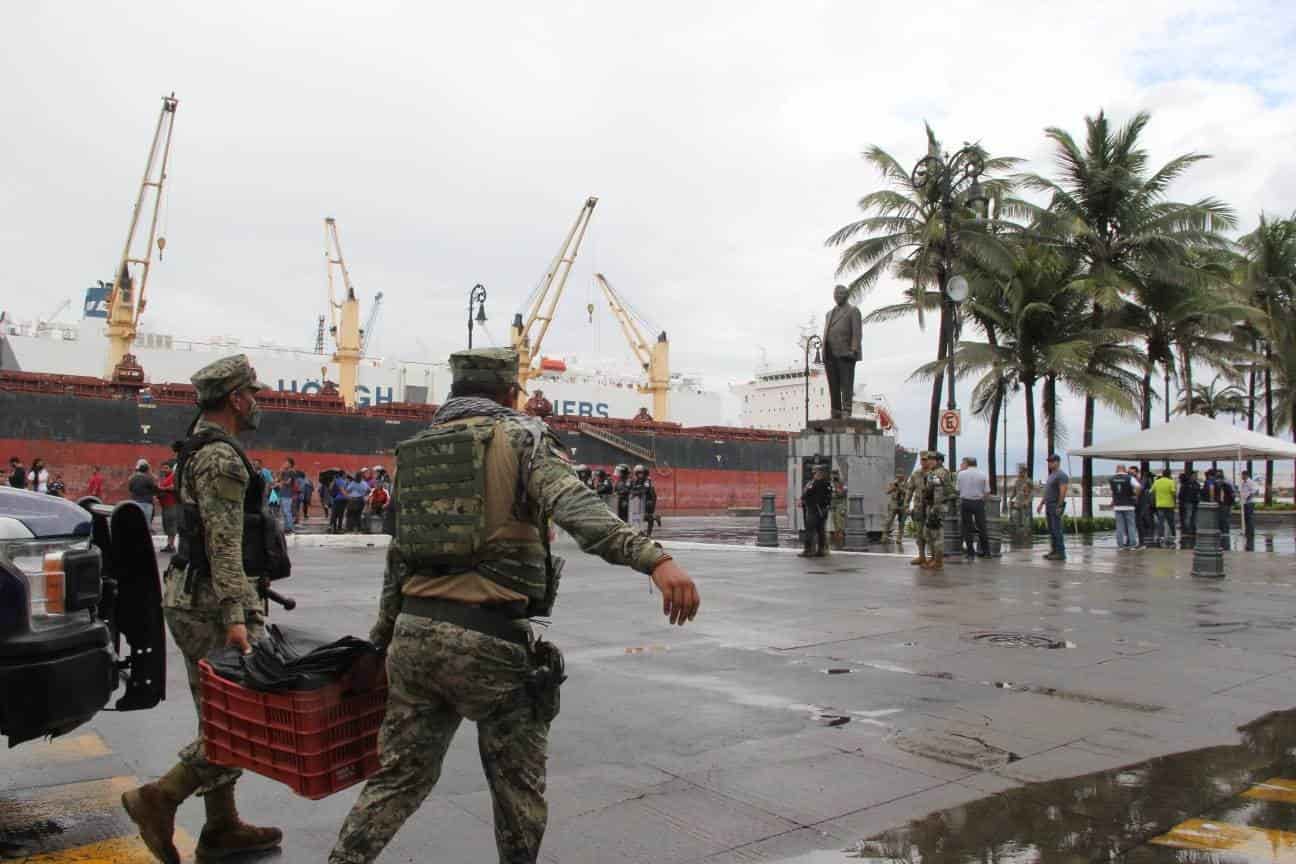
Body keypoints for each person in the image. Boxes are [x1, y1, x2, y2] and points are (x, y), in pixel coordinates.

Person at [327, 347, 698, 864]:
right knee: (516, 792)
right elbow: (573, 504)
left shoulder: (417, 452)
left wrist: (382, 640)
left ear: (457, 392)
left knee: (397, 781)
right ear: (507, 393)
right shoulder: (521, 436)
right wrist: (653, 559)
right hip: (490, 642)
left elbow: (400, 556)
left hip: (414, 637)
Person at [121, 354, 283, 863]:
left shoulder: (201, 444)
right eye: (251, 393)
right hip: (213, 605)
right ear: (235, 398)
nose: (256, 402)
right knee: (245, 718)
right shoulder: (221, 458)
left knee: (217, 714)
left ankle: (221, 824)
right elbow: (224, 544)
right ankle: (160, 797)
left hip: (195, 598)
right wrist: (237, 617)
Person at [921, 452, 952, 570]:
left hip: (937, 507)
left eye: (931, 459)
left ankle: (938, 561)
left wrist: (935, 508)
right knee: (928, 533)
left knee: (936, 534)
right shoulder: (933, 473)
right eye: (928, 459)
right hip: (932, 506)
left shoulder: (940, 473)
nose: (928, 461)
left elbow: (938, 492)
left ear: (939, 461)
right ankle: (933, 557)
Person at [955, 457, 990, 559]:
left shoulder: (961, 474)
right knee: (982, 527)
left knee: (967, 528)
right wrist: (983, 501)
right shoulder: (983, 474)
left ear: (967, 463)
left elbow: (957, 489)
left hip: (965, 502)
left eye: (963, 462)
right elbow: (987, 491)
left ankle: (970, 553)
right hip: (978, 502)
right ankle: (986, 551)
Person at [1036, 454, 1068, 561]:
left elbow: (1063, 491)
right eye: (1048, 461)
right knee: (1051, 530)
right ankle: (1054, 551)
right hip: (1048, 505)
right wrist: (1041, 503)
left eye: (1052, 461)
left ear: (1058, 462)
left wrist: (1059, 505)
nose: (1049, 463)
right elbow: (1047, 492)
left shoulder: (1061, 475)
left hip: (1055, 505)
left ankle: (1060, 552)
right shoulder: (1051, 475)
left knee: (1057, 529)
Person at [800, 464, 831, 557]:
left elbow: (806, 494)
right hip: (823, 510)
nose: (814, 474)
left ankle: (808, 550)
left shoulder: (813, 483)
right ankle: (821, 550)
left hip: (813, 509)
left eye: (815, 472)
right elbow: (829, 496)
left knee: (809, 530)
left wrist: (803, 497)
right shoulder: (827, 483)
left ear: (818, 473)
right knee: (821, 530)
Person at [1109, 465, 1140, 551]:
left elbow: (1113, 491)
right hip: (1129, 505)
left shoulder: (1111, 479)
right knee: (1131, 525)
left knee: (1119, 527)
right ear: (1125, 469)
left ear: (1117, 469)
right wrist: (1135, 496)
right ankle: (1132, 545)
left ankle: (1120, 545)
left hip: (1117, 506)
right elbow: (1138, 487)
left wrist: (1113, 501)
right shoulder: (1129, 478)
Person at [907, 453, 930, 567]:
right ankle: (921, 556)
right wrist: (907, 504)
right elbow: (910, 490)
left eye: (926, 460)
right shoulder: (916, 474)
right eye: (922, 460)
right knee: (919, 532)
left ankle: (933, 558)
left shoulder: (934, 474)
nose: (924, 462)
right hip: (919, 507)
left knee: (930, 533)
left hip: (931, 507)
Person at [157, 463, 180, 553]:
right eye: (163, 468)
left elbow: (173, 488)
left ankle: (171, 545)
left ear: (171, 469)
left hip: (171, 505)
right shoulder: (165, 478)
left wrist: (162, 489)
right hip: (165, 505)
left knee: (171, 525)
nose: (164, 470)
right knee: (166, 526)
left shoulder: (173, 477)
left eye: (166, 468)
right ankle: (169, 544)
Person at [1151, 468, 1176, 548]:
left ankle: (1161, 537)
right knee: (1170, 521)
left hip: (1159, 505)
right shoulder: (1171, 482)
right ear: (1169, 474)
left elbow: (1151, 491)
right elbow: (1173, 492)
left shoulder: (1157, 481)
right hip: (1169, 505)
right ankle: (1172, 537)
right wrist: (1174, 501)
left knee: (1160, 522)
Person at [129, 459, 159, 525]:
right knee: (146, 524)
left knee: (137, 523)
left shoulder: (132, 478)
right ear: (147, 469)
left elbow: (130, 489)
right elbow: (156, 489)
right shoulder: (148, 478)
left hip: (135, 503)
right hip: (146, 503)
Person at [633, 465, 659, 537]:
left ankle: (649, 533)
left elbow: (645, 490)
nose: (639, 475)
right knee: (638, 516)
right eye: (638, 473)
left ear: (645, 474)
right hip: (640, 500)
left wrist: (637, 492)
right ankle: (655, 517)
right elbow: (632, 489)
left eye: (641, 473)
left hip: (649, 500)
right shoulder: (636, 481)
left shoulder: (647, 481)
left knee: (648, 517)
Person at [1008, 465, 1033, 534]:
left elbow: (1031, 494)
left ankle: (1025, 537)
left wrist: (1027, 501)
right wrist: (1010, 499)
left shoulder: (1029, 481)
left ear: (1025, 472)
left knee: (1025, 523)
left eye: (1021, 472)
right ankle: (1017, 535)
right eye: (1019, 472)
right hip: (1017, 504)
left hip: (1025, 505)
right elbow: (1014, 492)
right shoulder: (1017, 481)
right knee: (1015, 519)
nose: (1020, 473)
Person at [1134, 467, 1155, 548]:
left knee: (1142, 519)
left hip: (1144, 503)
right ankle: (1148, 531)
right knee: (1146, 518)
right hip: (1146, 503)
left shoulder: (1144, 481)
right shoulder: (1148, 482)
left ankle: (1145, 534)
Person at [884, 473, 907, 542]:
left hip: (902, 504)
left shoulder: (907, 483)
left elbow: (907, 492)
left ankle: (899, 538)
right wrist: (893, 488)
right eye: (897, 477)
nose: (898, 478)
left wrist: (899, 487)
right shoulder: (893, 483)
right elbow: (887, 492)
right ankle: (885, 535)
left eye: (900, 477)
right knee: (889, 520)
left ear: (903, 477)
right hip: (894, 503)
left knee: (901, 522)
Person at [1241, 470, 1261, 550]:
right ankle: (1247, 531)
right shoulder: (1244, 482)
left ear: (1246, 475)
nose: (1242, 477)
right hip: (1245, 503)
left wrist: (1248, 497)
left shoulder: (1250, 482)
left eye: (1242, 475)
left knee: (1249, 518)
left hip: (1249, 503)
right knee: (1246, 518)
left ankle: (1250, 532)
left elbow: (1255, 490)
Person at [277, 459, 297, 535]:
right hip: (282, 493)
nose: (284, 464)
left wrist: (282, 482)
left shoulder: (291, 472)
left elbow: (289, 482)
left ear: (290, 464)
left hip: (287, 494)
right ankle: (286, 528)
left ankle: (291, 528)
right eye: (284, 462)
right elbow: (278, 480)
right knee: (283, 512)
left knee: (287, 511)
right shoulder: (284, 472)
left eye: (286, 463)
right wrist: (281, 472)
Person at [1178, 469, 1201, 537]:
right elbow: (1181, 494)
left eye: (1196, 475)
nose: (1196, 476)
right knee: (1188, 516)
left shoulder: (1197, 484)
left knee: (1194, 517)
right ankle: (1187, 530)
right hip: (1188, 502)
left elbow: (1198, 493)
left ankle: (1192, 530)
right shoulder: (1186, 484)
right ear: (1191, 476)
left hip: (1195, 502)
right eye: (1195, 475)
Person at [829, 469, 847, 548]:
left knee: (840, 522)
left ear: (838, 475)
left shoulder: (842, 483)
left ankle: (841, 540)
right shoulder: (830, 483)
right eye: (832, 475)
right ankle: (837, 540)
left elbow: (843, 493)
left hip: (840, 504)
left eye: (835, 474)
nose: (833, 476)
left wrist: (836, 488)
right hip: (833, 505)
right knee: (835, 522)